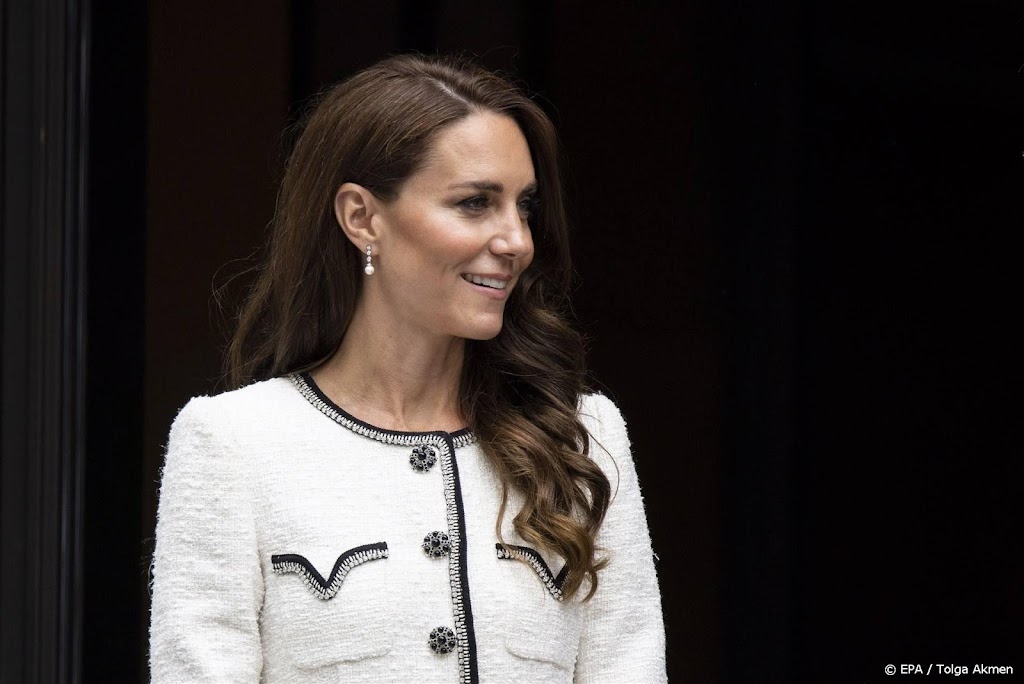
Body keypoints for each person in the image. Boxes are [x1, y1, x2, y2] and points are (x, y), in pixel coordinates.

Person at [149, 53, 666, 684]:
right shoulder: (234, 444)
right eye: (475, 203)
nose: (517, 241)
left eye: (524, 206)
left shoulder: (582, 437)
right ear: (362, 218)